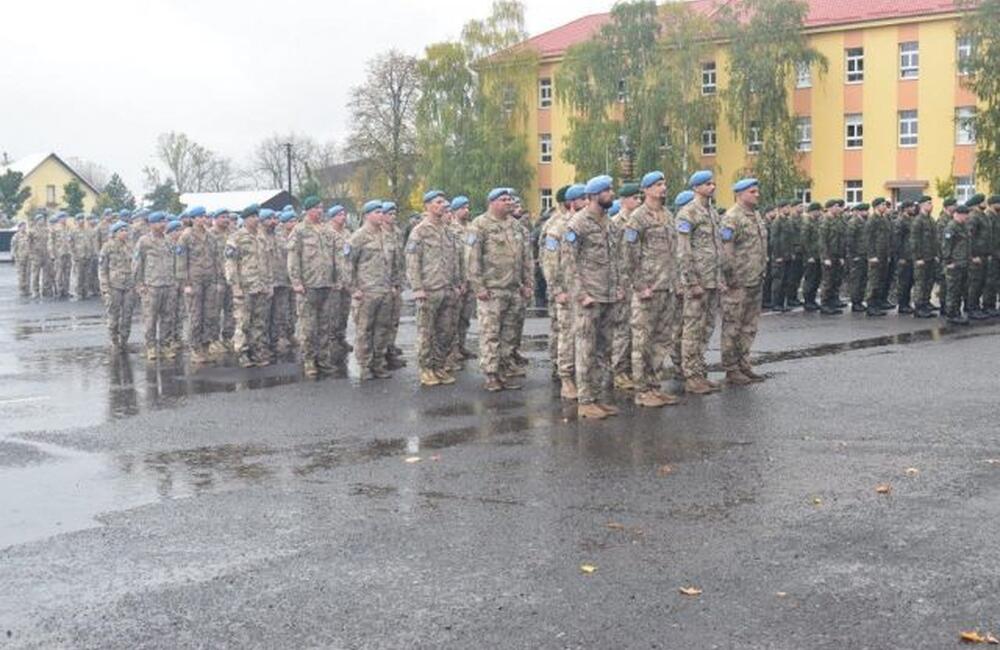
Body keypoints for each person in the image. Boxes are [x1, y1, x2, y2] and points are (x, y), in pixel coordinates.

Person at [563, 175, 622, 419]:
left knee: (603, 350)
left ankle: (597, 397)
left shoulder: (609, 223)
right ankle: (585, 400)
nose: (611, 193)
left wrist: (618, 286)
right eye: (607, 190)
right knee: (585, 349)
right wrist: (581, 294)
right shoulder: (578, 224)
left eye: (611, 189)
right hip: (589, 297)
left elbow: (615, 259)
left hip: (608, 295)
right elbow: (568, 263)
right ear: (594, 195)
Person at [621, 171, 679, 408]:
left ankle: (654, 386)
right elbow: (628, 256)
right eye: (657, 185)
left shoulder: (667, 215)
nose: (662, 188)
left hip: (666, 287)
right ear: (645, 190)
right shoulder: (637, 218)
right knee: (642, 341)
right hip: (647, 289)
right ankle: (642, 390)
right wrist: (639, 285)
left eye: (664, 184)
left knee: (661, 340)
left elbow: (674, 252)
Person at [466, 188, 534, 392]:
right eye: (504, 200)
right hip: (492, 290)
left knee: (509, 335)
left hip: (513, 289)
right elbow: (471, 258)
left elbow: (526, 257)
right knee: (491, 334)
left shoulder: (517, 226)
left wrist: (528, 283)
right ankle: (491, 375)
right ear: (492, 202)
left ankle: (504, 371)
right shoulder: (479, 225)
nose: (509, 202)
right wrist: (478, 286)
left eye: (510, 199)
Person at [406, 190, 463, 387]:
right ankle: (426, 368)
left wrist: (457, 284)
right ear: (428, 206)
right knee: (426, 333)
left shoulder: (448, 230)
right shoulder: (419, 231)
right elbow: (412, 261)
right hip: (429, 289)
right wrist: (417, 287)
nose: (443, 205)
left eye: (444, 202)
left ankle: (439, 365)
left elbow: (455, 259)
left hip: (447, 288)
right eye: (438, 202)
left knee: (446, 332)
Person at [676, 170, 723, 395]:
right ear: (696, 188)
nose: (712, 187)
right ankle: (691, 375)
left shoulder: (712, 213)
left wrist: (720, 278)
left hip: (712, 280)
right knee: (692, 329)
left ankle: (700, 370)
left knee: (707, 327)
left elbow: (717, 249)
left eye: (713, 183)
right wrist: (691, 281)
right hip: (697, 282)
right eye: (707, 184)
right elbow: (683, 252)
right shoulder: (687, 214)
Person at [720, 178, 768, 385]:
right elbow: (726, 251)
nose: (757, 195)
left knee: (749, 325)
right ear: (739, 195)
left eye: (757, 191)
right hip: (738, 281)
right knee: (733, 325)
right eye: (752, 192)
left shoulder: (756, 215)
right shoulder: (732, 218)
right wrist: (731, 278)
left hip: (755, 277)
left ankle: (743, 363)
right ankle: (731, 368)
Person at [288, 197, 338, 378]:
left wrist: (336, 278)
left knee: (325, 325)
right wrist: (296, 282)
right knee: (308, 327)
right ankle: (309, 361)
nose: (320, 211)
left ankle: (323, 359)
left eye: (321, 208)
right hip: (308, 286)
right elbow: (293, 258)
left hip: (325, 284)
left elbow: (335, 255)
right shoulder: (299, 230)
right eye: (317, 208)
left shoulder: (326, 230)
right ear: (308, 210)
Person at [347, 200, 397, 380]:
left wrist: (394, 284)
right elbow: (348, 264)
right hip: (366, 291)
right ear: (367, 215)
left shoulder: (387, 235)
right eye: (377, 212)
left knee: (382, 329)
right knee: (364, 330)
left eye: (382, 212)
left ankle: (378, 364)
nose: (381, 215)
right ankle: (365, 366)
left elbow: (394, 262)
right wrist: (354, 289)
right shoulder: (358, 237)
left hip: (384, 290)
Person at [225, 204, 273, 368]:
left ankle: (258, 352)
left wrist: (269, 284)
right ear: (245, 219)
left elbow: (267, 261)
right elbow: (231, 264)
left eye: (256, 216)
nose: (256, 219)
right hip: (244, 287)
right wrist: (235, 286)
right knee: (243, 322)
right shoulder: (236, 238)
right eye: (252, 217)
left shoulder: (262, 236)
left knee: (259, 322)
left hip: (260, 286)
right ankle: (242, 353)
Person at [177, 206, 219, 364]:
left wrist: (216, 279)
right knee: (195, 315)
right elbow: (181, 262)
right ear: (193, 219)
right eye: (200, 217)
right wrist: (185, 283)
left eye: (204, 216)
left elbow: (216, 258)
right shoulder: (185, 237)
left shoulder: (210, 236)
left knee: (209, 315)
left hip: (209, 280)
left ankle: (206, 346)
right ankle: (195, 348)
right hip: (194, 281)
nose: (203, 219)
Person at [133, 211, 176, 361]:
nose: (163, 224)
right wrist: (139, 284)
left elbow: (175, 262)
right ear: (151, 224)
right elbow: (137, 264)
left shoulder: (169, 241)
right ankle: (150, 347)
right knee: (150, 319)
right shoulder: (144, 241)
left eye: (164, 221)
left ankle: (165, 345)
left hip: (168, 284)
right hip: (151, 286)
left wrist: (175, 281)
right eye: (159, 221)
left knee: (167, 318)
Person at [611, 182, 642, 390]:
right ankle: (618, 371)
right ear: (623, 200)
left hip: (636, 281)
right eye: (634, 198)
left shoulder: (639, 220)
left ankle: (630, 368)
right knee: (621, 329)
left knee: (635, 328)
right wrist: (616, 284)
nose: (638, 201)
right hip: (622, 282)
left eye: (640, 198)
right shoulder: (616, 223)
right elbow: (612, 257)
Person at [447, 196, 476, 366]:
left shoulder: (471, 228)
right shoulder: (451, 229)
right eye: (463, 208)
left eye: (467, 207)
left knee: (465, 316)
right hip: (458, 278)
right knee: (453, 316)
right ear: (455, 210)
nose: (467, 210)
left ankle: (462, 344)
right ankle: (453, 349)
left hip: (471, 277)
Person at [98, 220, 136, 351]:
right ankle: (114, 341)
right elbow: (102, 269)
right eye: (121, 230)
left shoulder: (130, 246)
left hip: (129, 285)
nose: (125, 233)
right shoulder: (107, 247)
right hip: (114, 286)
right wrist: (105, 288)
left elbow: (136, 265)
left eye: (126, 230)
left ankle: (124, 340)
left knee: (127, 315)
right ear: (114, 233)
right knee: (113, 316)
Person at [381, 202, 407, 370]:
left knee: (394, 319)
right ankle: (381, 354)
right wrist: (388, 284)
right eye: (389, 213)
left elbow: (400, 259)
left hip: (397, 282)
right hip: (384, 284)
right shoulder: (379, 234)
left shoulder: (397, 232)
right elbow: (381, 263)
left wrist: (400, 281)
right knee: (382, 321)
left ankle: (390, 347)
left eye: (394, 213)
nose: (393, 216)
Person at [942, 205, 972, 325]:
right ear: (958, 214)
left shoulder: (963, 226)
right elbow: (946, 247)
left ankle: (957, 313)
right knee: (953, 290)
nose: (966, 217)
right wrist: (948, 262)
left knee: (960, 289)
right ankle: (951, 314)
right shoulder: (951, 227)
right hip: (954, 264)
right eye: (965, 215)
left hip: (963, 263)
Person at [910, 196, 938, 318]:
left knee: (929, 281)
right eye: (928, 203)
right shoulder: (918, 220)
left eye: (931, 203)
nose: (931, 205)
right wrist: (917, 258)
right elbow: (914, 241)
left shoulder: (930, 219)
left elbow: (934, 240)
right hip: (921, 257)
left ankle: (926, 303)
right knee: (920, 282)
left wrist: (935, 254)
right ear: (921, 205)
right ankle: (918, 307)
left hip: (930, 256)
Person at [863, 200, 890, 317]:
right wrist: (871, 255)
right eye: (883, 205)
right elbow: (868, 240)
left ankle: (877, 304)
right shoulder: (872, 221)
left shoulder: (884, 219)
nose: (885, 207)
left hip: (883, 255)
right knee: (874, 281)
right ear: (876, 207)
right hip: (875, 256)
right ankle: (871, 305)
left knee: (881, 280)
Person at [965, 194, 990, 319]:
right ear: (977, 204)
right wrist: (972, 256)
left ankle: (977, 306)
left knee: (981, 282)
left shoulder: (983, 216)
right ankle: (971, 308)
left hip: (984, 254)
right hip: (976, 256)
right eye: (983, 201)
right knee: (975, 283)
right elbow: (969, 238)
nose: (986, 202)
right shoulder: (973, 217)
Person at [800, 202, 823, 311]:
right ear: (813, 211)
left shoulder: (817, 222)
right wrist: (809, 255)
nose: (819, 212)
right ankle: (808, 301)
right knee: (810, 279)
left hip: (818, 254)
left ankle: (812, 299)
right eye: (818, 210)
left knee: (816, 279)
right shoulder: (807, 223)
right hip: (810, 256)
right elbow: (805, 241)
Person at [28, 212, 52, 298]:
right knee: (36, 274)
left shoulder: (46, 229)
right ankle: (35, 291)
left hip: (46, 254)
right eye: (40, 219)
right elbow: (29, 243)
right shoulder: (31, 230)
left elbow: (50, 240)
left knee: (46, 274)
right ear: (36, 221)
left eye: (42, 219)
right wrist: (31, 254)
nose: (42, 221)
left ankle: (46, 290)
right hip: (36, 255)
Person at [12, 222, 31, 297]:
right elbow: (14, 247)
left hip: (28, 257)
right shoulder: (16, 236)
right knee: (21, 274)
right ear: (19, 227)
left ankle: (27, 289)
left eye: (25, 226)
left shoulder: (28, 235)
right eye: (22, 226)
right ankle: (22, 290)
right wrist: (14, 257)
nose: (24, 227)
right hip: (20, 258)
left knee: (28, 273)